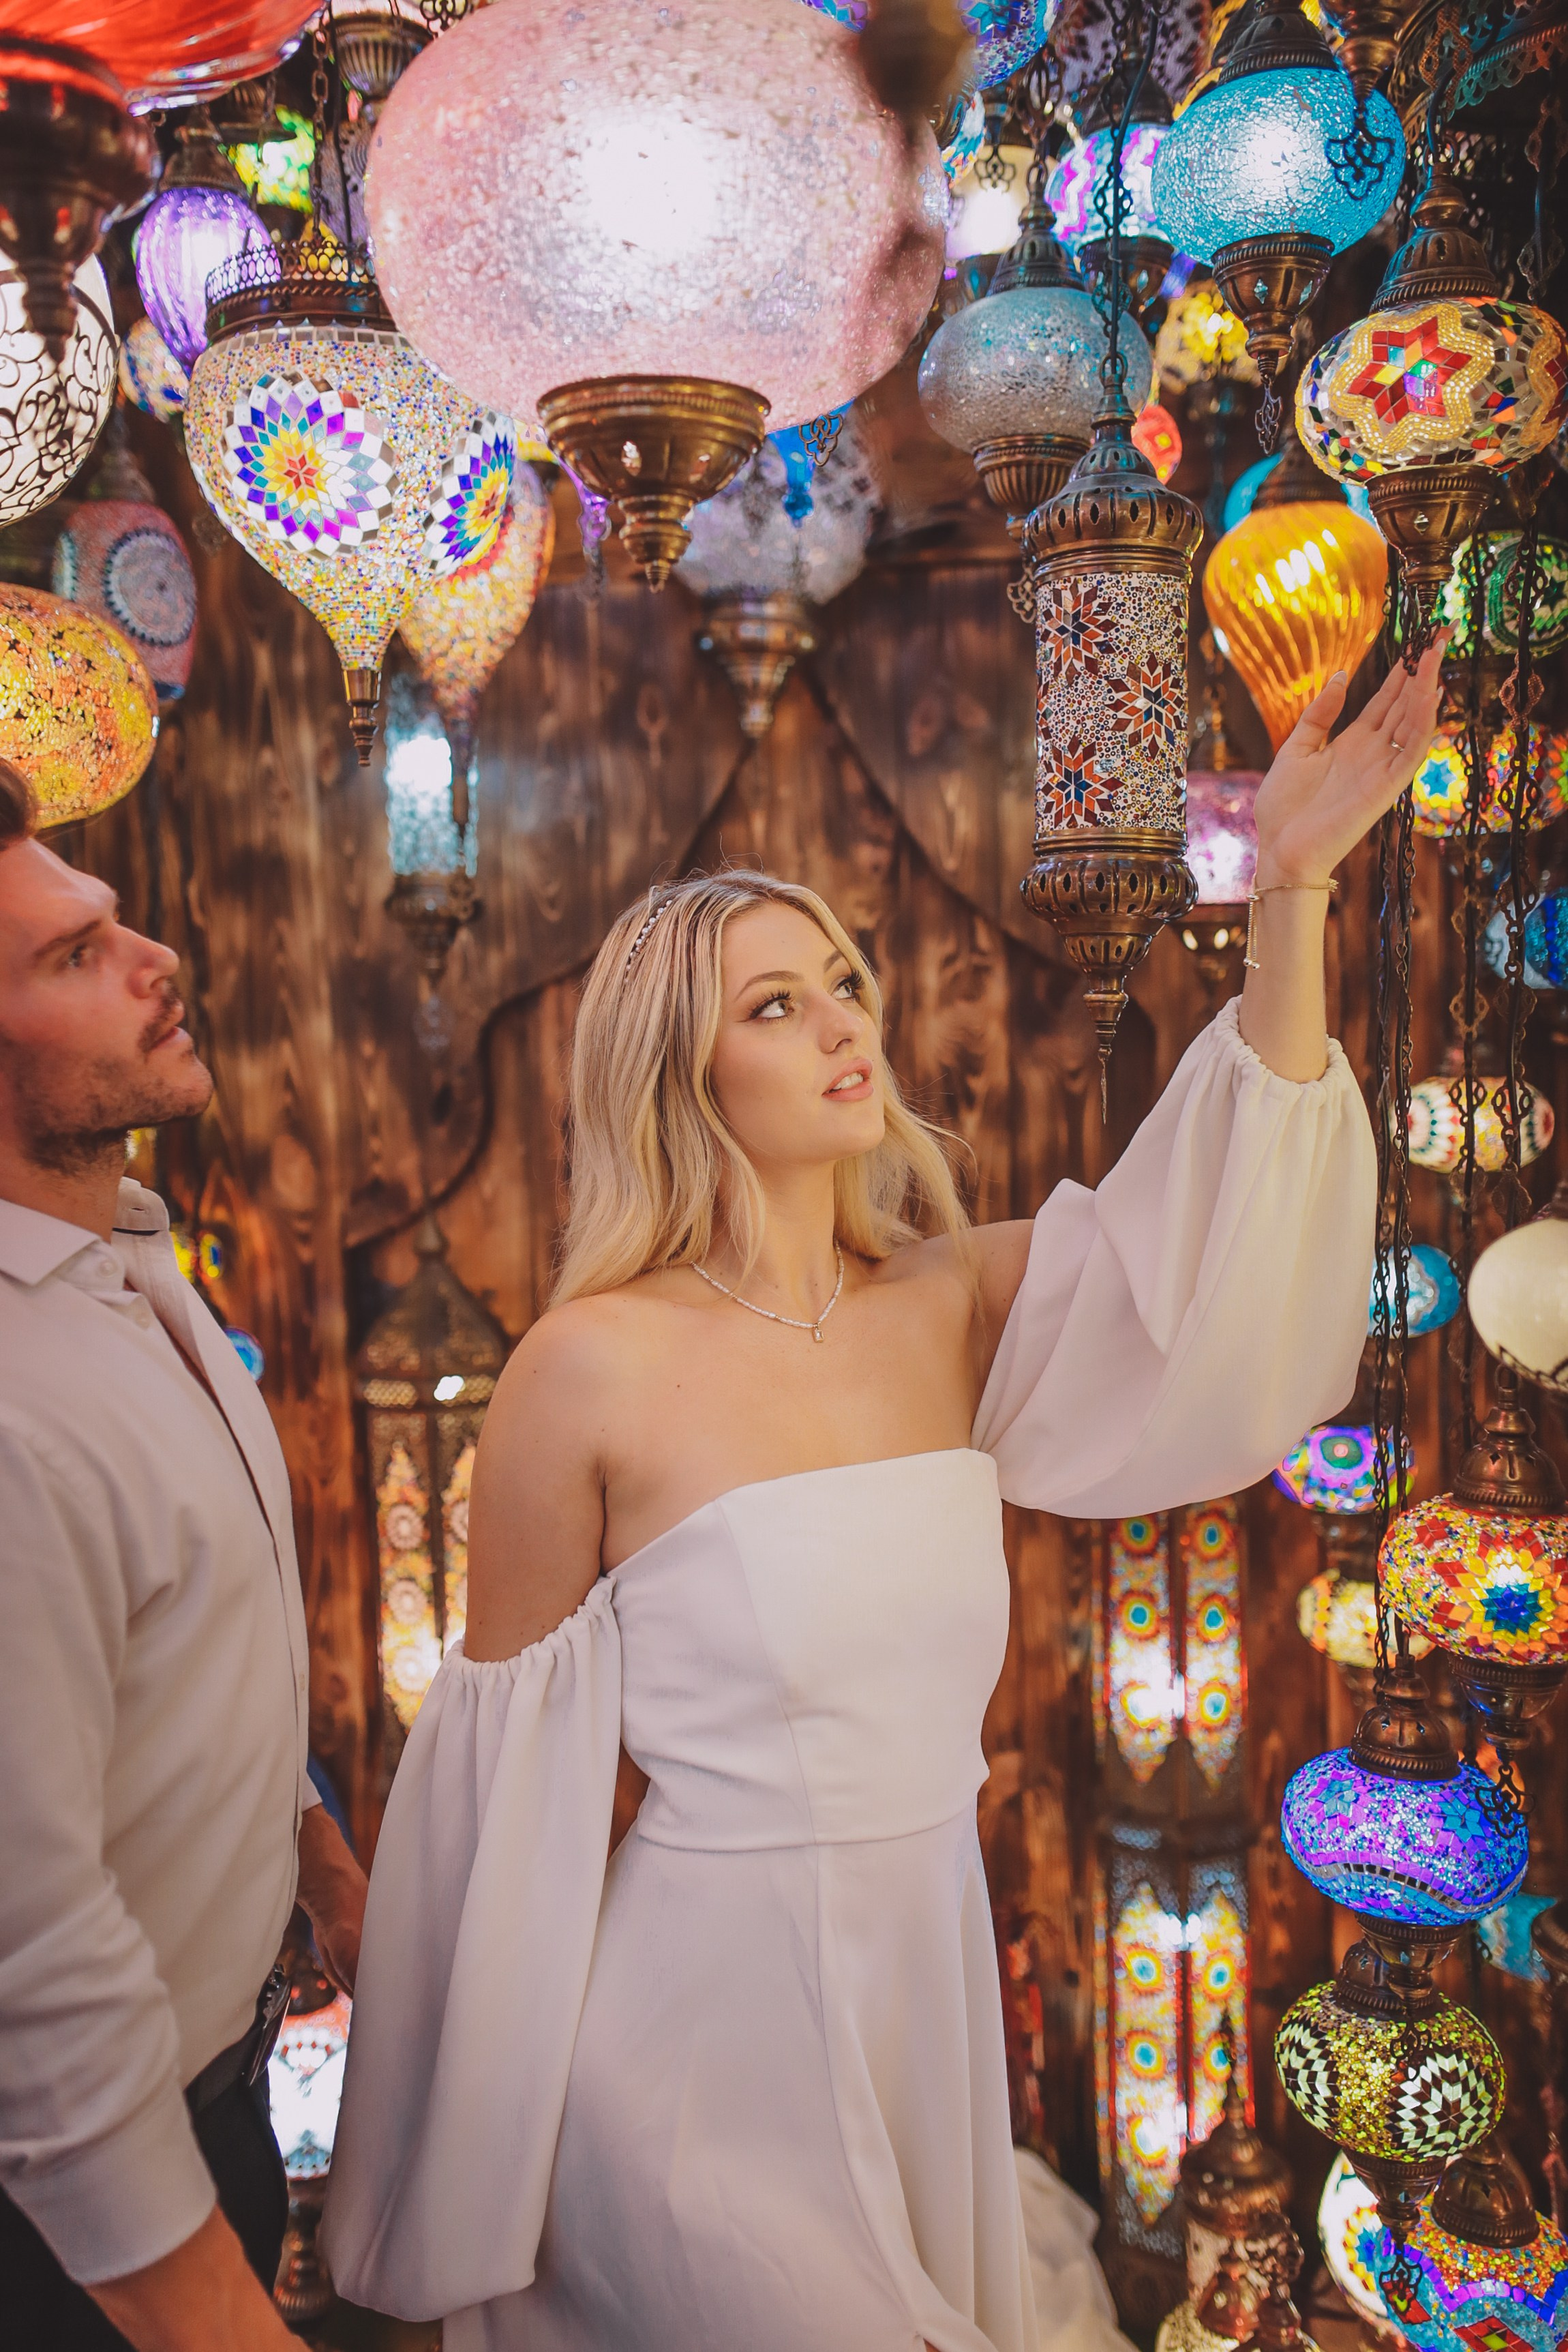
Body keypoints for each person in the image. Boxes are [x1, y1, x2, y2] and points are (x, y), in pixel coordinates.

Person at [323, 649, 1445, 2351]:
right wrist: (457, 2167)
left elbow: (1221, 1272)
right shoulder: (586, 1367)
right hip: (694, 2037)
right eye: (775, 1004)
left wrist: (1291, 891)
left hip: (918, 1987)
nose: (844, 1020)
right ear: (677, 1075)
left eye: (839, 981)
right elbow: (504, 1788)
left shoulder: (954, 1300)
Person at [0, 762, 369, 2352]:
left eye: (110, 922)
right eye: (71, 957)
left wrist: (317, 1853)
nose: (152, 956)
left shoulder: (126, 1252)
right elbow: (30, 1950)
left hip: (223, 2093)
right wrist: (208, 2316)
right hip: (78, 2225)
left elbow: (190, 1642)